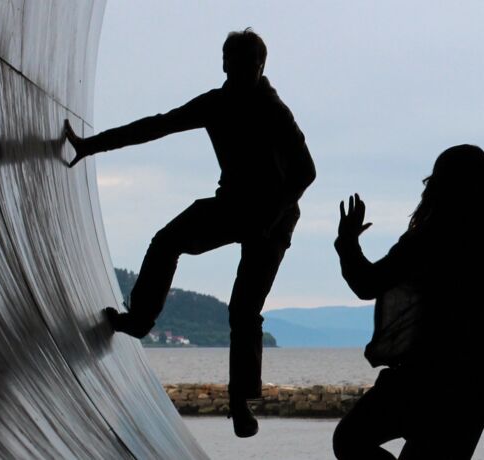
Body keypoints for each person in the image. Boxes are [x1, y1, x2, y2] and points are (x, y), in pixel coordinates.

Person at [62, 28, 314, 438]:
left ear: (260, 67)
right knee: (167, 241)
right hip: (232, 205)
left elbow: (306, 171)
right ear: (223, 64)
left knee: (243, 309)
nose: (234, 72)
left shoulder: (274, 111)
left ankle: (239, 402)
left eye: (243, 66)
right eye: (229, 64)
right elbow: (156, 126)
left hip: (274, 219)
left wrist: (270, 217)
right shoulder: (216, 104)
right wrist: (91, 145)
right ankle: (140, 319)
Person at [332, 145, 484, 459]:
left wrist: (348, 242)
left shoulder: (425, 240)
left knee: (349, 440)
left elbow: (367, 284)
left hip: (419, 378)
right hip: (470, 389)